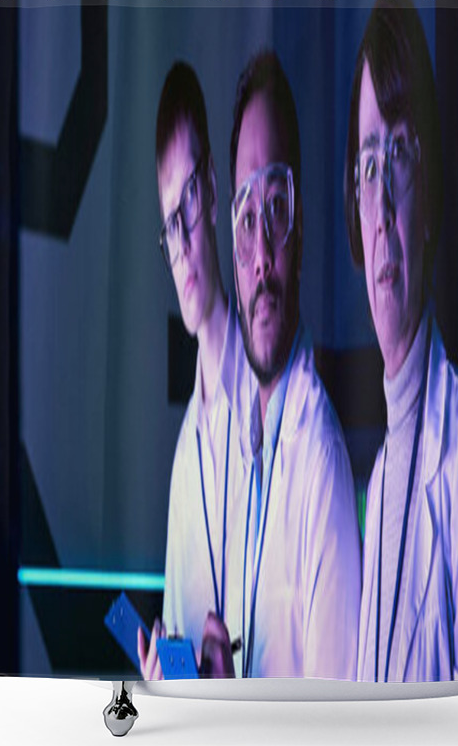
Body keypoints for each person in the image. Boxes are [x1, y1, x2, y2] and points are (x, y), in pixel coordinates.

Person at [344, 0, 458, 682]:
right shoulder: (379, 480)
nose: (379, 211)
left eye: (399, 154)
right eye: (368, 164)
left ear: (430, 194)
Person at [220, 50, 361, 679]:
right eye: (247, 217)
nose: (260, 257)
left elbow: (335, 723)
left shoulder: (319, 459)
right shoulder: (244, 438)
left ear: (300, 231)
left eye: (277, 207)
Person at [139, 61, 255, 680]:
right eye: (167, 222)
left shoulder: (278, 407)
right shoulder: (187, 456)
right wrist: (165, 680)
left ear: (212, 188)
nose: (180, 242)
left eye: (186, 200)